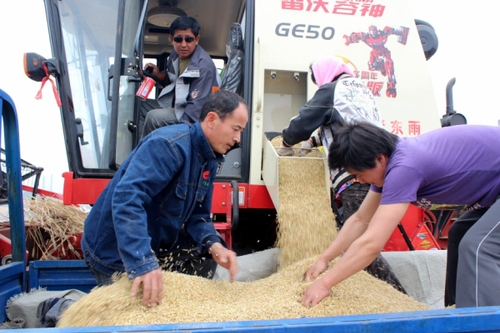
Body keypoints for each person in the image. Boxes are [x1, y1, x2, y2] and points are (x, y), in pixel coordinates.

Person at [301, 121, 500, 309]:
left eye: (359, 174)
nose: (360, 181)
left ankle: (484, 324)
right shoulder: (392, 164)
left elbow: (371, 244)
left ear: (379, 159)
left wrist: (325, 284)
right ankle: (457, 314)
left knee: (477, 245)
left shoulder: (405, 167)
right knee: (460, 234)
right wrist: (325, 258)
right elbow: (360, 219)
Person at [82, 90, 248, 307]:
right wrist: (142, 262)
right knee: (129, 317)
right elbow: (127, 198)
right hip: (115, 251)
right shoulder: (169, 145)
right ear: (211, 119)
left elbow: (198, 216)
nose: (238, 139)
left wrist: (215, 246)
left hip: (152, 245)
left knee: (198, 265)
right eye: (236, 129)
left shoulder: (209, 161)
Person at [276, 56, 405, 293]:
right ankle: (376, 299)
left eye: (317, 80)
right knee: (359, 236)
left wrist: (286, 140)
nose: (318, 85)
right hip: (376, 169)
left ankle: (397, 297)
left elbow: (305, 120)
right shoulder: (359, 90)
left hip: (358, 172)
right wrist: (315, 140)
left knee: (359, 244)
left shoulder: (331, 90)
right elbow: (344, 123)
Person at [140, 16, 220, 137]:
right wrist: (159, 76)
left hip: (194, 115)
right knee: (140, 106)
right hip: (177, 105)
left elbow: (196, 110)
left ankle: (147, 154)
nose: (183, 44)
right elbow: (176, 81)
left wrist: (178, 136)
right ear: (171, 39)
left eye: (189, 39)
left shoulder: (204, 67)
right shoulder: (174, 56)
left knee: (153, 117)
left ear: (197, 39)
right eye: (178, 39)